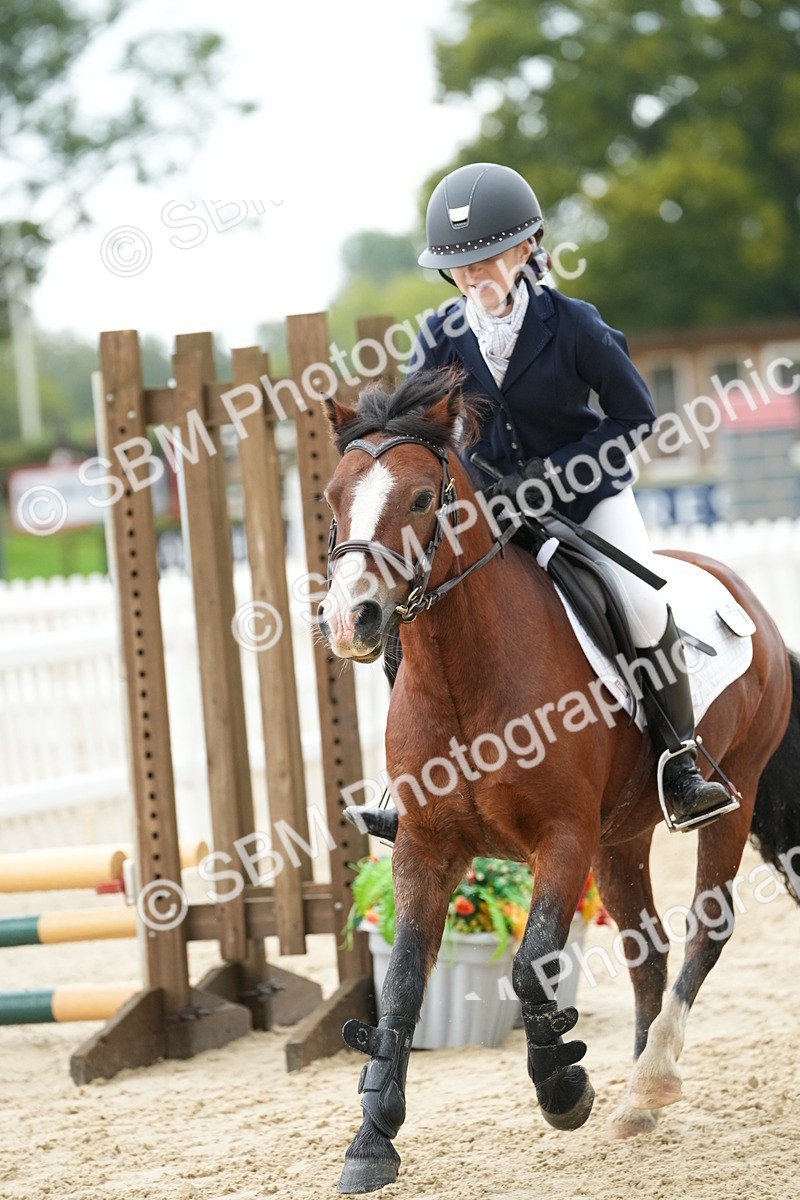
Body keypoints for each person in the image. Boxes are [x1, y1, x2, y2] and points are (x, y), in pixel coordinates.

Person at [349, 162, 735, 837]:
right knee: (411, 615)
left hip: (587, 498)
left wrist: (555, 477)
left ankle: (680, 761)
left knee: (641, 605)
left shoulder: (575, 325)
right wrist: (468, 481)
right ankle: (410, 782)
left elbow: (635, 418)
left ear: (527, 247)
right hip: (489, 507)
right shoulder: (439, 336)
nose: (475, 276)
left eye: (488, 258)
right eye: (461, 266)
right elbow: (422, 432)